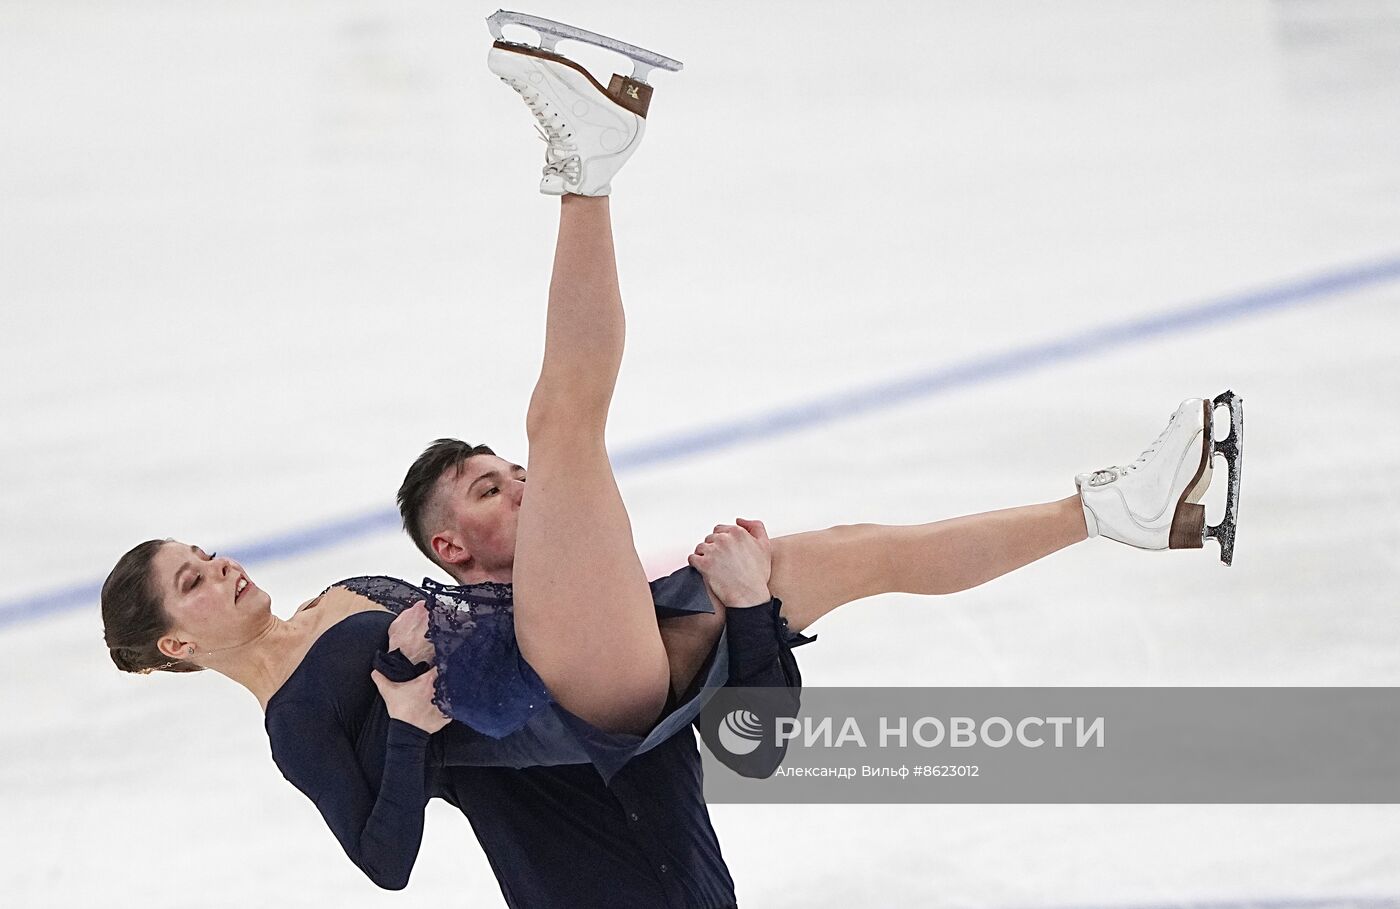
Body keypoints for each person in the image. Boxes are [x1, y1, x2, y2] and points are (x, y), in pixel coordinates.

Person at [99, 20, 1244, 908]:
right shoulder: (296, 721)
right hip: (572, 695)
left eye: (204, 552)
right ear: (178, 643)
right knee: (563, 422)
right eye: (193, 581)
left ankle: (1127, 514)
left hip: (586, 661)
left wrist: (724, 610)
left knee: (849, 552)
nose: (222, 566)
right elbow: (382, 860)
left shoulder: (333, 600)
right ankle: (587, 163)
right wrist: (402, 719)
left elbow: (746, 734)